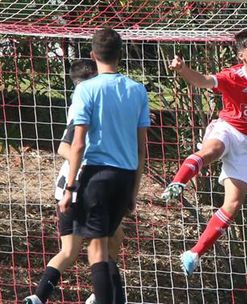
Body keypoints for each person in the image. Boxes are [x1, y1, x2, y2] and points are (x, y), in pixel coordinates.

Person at [162, 29, 247, 276]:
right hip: (227, 128)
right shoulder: (233, 76)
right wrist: (183, 70)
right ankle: (178, 183)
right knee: (214, 150)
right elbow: (205, 81)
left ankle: (194, 253)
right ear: (242, 55)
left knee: (234, 203)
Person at [57, 28, 149, 304]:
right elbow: (141, 148)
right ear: (120, 55)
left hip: (97, 176)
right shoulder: (137, 90)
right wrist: (134, 190)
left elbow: (78, 143)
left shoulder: (86, 89)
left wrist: (70, 187)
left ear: (93, 55)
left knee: (97, 250)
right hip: (125, 178)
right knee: (106, 244)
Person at [23, 60, 126, 304]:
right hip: (85, 188)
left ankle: (37, 298)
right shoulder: (88, 106)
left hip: (69, 188)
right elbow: (64, 147)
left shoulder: (88, 102)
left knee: (71, 250)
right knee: (108, 242)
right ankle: (109, 296)